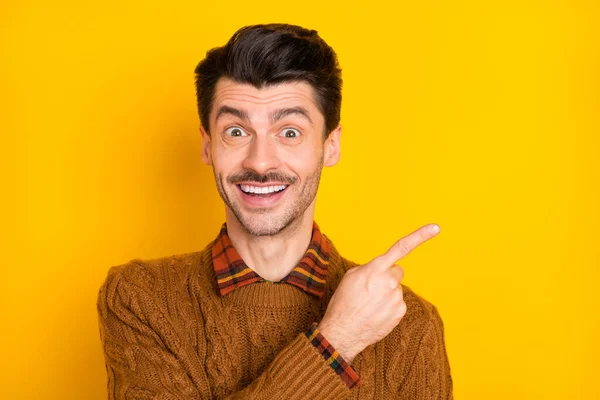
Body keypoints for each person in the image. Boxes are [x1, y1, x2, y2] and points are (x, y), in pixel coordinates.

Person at [97, 23, 453, 399]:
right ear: (207, 146)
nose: (261, 162)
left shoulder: (407, 323)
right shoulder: (141, 300)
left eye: (290, 132)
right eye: (236, 132)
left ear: (330, 146)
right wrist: (336, 342)